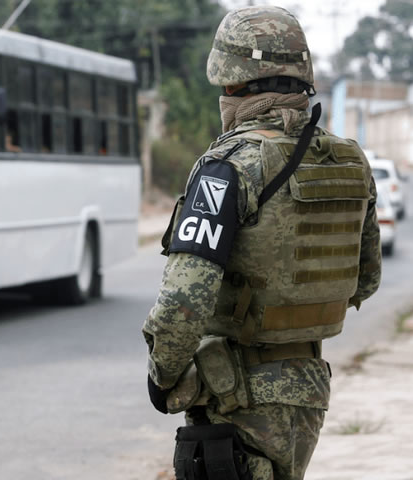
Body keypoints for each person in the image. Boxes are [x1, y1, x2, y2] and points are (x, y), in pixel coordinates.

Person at [142, 6, 381, 480]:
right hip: (308, 393)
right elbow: (366, 281)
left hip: (236, 398)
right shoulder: (348, 161)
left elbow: (182, 305)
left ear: (232, 85)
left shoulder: (228, 167)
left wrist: (163, 376)